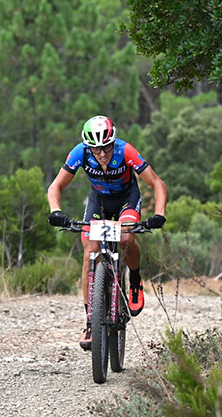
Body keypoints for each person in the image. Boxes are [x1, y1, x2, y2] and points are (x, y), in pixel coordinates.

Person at [46, 115, 166, 350]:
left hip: (126, 200)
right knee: (90, 250)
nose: (102, 154)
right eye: (97, 149)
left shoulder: (126, 151)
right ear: (89, 147)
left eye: (106, 147)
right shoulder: (80, 153)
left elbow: (158, 183)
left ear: (114, 142)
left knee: (125, 238)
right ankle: (91, 321)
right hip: (99, 202)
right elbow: (55, 186)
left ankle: (134, 280)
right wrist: (55, 210)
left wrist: (159, 214)